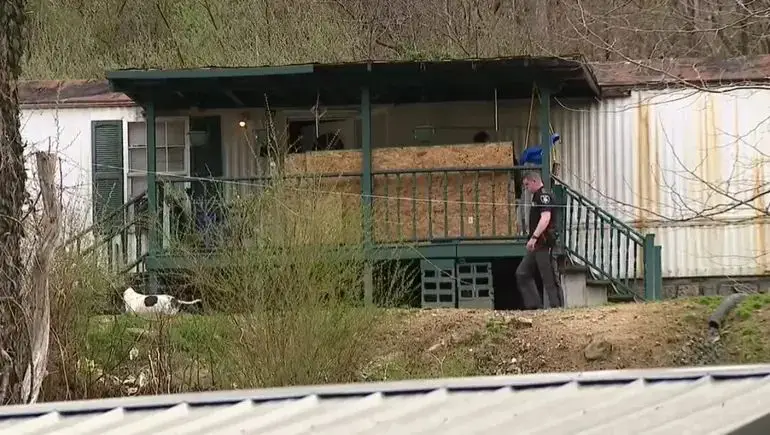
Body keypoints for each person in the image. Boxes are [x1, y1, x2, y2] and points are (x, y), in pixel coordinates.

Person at [515, 171, 564, 309]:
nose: (526, 188)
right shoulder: (536, 197)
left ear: (534, 181)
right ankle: (534, 306)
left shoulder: (543, 196)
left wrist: (534, 237)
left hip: (544, 243)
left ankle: (557, 307)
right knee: (522, 272)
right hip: (536, 245)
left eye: (527, 185)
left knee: (549, 278)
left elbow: (545, 218)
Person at [517, 133, 560, 235]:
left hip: (535, 171)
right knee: (528, 203)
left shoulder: (543, 195)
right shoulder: (538, 154)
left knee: (528, 204)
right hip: (534, 170)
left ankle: (528, 229)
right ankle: (527, 229)